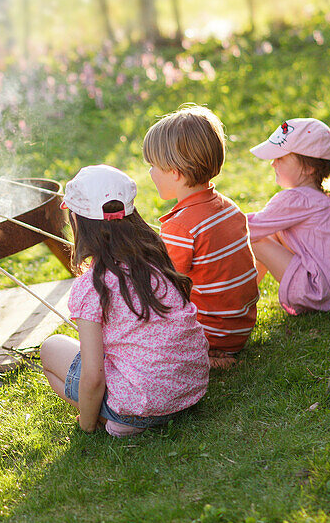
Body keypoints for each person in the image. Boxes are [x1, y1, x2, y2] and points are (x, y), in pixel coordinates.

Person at [40, 165, 209, 436]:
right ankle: (120, 417)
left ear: (78, 222)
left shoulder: (92, 285)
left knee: (51, 348)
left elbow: (94, 377)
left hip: (140, 407)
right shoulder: (155, 258)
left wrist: (85, 426)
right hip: (190, 391)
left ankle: (107, 419)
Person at [142, 104, 259, 369]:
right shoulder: (229, 207)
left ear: (175, 171)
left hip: (211, 334)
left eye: (153, 166)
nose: (150, 173)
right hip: (239, 327)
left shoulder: (181, 227)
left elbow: (165, 291)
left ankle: (202, 357)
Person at [246, 118, 330, 314]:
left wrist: (215, 218)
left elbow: (245, 230)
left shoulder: (297, 199)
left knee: (256, 239)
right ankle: (247, 294)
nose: (272, 163)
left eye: (281, 158)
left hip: (319, 295)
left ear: (308, 167)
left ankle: (239, 299)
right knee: (272, 233)